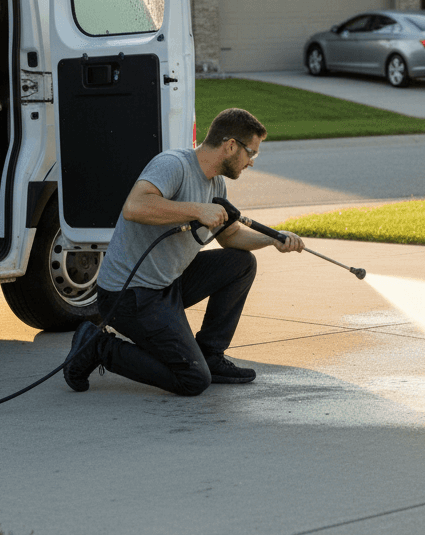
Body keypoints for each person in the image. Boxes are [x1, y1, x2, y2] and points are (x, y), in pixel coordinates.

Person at [63, 108, 304, 396]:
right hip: (129, 296)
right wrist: (197, 210)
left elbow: (231, 237)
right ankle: (98, 346)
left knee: (241, 264)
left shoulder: (216, 183)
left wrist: (273, 241)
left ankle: (211, 354)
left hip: (169, 283)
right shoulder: (173, 165)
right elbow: (134, 207)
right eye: (251, 153)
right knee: (192, 379)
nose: (251, 162)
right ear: (230, 146)